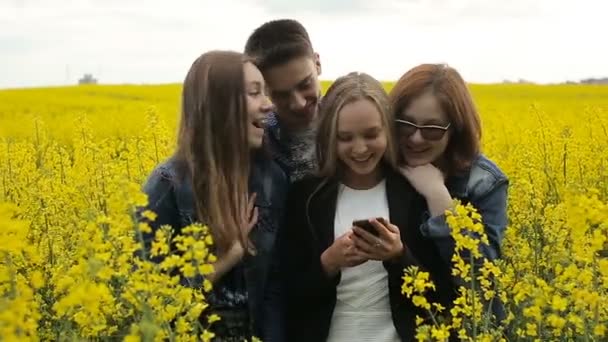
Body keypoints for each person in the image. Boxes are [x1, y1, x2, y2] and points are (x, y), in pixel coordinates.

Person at [278, 72, 455, 341]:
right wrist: (329, 262)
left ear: (388, 130)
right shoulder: (307, 198)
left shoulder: (413, 193)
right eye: (345, 138)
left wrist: (399, 255)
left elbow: (445, 292)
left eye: (371, 134)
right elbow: (286, 293)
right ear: (329, 137)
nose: (360, 149)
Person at [139, 50, 287, 341]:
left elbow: (276, 289)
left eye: (266, 93)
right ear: (218, 105)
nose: (268, 105)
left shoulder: (272, 180)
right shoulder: (165, 187)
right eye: (254, 93)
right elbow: (149, 303)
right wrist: (228, 256)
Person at [389, 63, 509, 320]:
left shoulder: (484, 183)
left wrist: (438, 197)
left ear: (454, 131)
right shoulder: (379, 166)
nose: (416, 138)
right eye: (406, 124)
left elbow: (480, 286)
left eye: (432, 130)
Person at [244, 19, 323, 182]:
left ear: (317, 64)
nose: (299, 103)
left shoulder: (348, 120)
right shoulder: (255, 139)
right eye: (281, 95)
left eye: (305, 84)